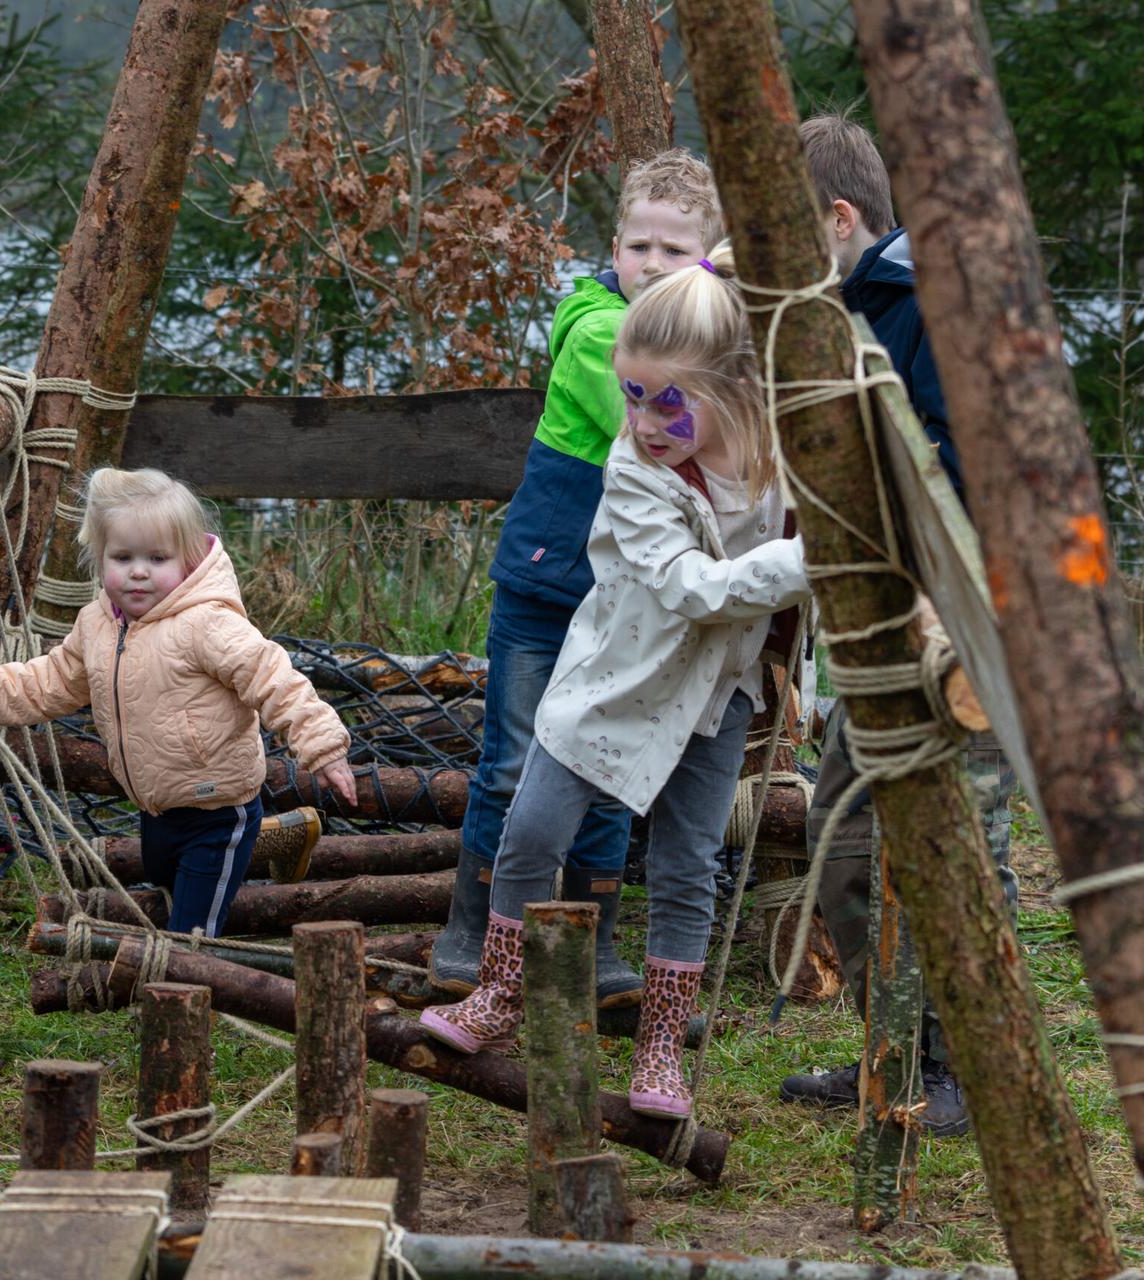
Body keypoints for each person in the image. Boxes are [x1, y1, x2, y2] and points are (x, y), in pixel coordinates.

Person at [421, 248, 811, 1119]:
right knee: (532, 828)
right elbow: (687, 590)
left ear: (733, 385)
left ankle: (662, 1047)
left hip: (717, 693)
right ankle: (498, 993)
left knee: (687, 862)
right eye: (632, 395)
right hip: (614, 681)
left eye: (669, 399)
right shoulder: (635, 470)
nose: (647, 418)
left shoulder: (781, 456)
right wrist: (806, 560)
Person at [776, 113, 1017, 1138]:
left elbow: (966, 466)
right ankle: (898, 1048)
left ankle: (979, 1067)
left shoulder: (928, 301)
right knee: (844, 844)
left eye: (791, 239)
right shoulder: (837, 304)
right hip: (876, 627)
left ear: (839, 218)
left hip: (966, 631)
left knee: (963, 847)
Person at [441, 150, 723, 1007]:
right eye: (639, 246)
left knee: (608, 768)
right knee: (513, 761)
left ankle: (593, 945)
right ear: (613, 246)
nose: (652, 265)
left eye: (677, 252)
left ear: (705, 255)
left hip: (624, 606)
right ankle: (471, 934)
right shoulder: (604, 330)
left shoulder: (691, 333)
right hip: (545, 585)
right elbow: (667, 422)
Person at [0, 468, 358, 938]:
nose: (138, 571)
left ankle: (179, 993)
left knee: (190, 929)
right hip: (156, 806)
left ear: (189, 558)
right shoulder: (97, 624)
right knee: (164, 879)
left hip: (218, 806)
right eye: (123, 557)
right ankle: (279, 839)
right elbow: (53, 679)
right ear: (100, 558)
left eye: (157, 558)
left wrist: (322, 745)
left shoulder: (206, 624)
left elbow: (273, 678)